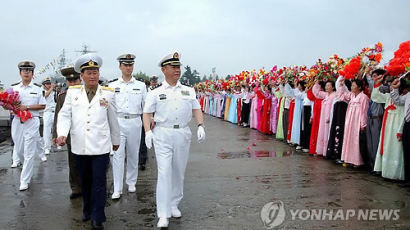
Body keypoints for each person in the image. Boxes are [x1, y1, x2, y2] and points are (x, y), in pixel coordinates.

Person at [56, 54, 120, 229]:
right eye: (89, 73)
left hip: (101, 146)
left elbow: (113, 118)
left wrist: (116, 139)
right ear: (81, 76)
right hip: (80, 146)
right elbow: (64, 115)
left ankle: (97, 217)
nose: (93, 76)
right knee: (85, 181)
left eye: (95, 72)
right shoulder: (72, 93)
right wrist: (62, 133)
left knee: (99, 182)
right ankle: (87, 209)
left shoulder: (108, 94)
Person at [143, 52, 205, 228]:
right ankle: (162, 212)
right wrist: (148, 131)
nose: (177, 70)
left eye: (179, 67)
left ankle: (174, 203)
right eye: (173, 67)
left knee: (178, 171)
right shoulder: (156, 92)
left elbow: (196, 109)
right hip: (163, 133)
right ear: (164, 70)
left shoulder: (188, 90)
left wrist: (200, 125)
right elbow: (147, 113)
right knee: (164, 173)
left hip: (182, 134)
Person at [109, 54, 147, 200]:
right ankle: (117, 188)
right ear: (120, 66)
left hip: (134, 121)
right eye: (125, 65)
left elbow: (145, 107)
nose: (128, 67)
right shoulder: (112, 86)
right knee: (117, 155)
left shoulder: (141, 86)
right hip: (118, 121)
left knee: (133, 153)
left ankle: (131, 182)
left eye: (130, 65)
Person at [4, 61, 47, 191]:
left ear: (32, 74)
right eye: (24, 70)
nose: (26, 73)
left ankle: (25, 180)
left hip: (32, 120)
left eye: (29, 71)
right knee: (19, 148)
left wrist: (26, 107)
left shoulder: (38, 88)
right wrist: (7, 106)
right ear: (20, 73)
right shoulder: (14, 88)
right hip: (17, 120)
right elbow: (9, 105)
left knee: (29, 150)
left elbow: (43, 105)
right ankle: (25, 166)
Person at [52, 66, 82, 199]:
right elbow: (58, 116)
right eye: (70, 81)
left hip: (87, 133)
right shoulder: (63, 97)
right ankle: (76, 187)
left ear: (80, 79)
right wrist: (56, 135)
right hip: (70, 134)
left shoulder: (87, 93)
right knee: (73, 162)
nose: (73, 83)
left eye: (76, 80)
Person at [42, 77, 56, 155]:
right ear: (44, 85)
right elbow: (45, 95)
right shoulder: (42, 91)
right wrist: (52, 88)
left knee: (56, 129)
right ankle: (47, 147)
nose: (49, 85)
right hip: (47, 112)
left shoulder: (53, 92)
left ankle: (56, 143)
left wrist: (56, 89)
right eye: (47, 84)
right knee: (47, 131)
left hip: (54, 112)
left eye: (49, 83)